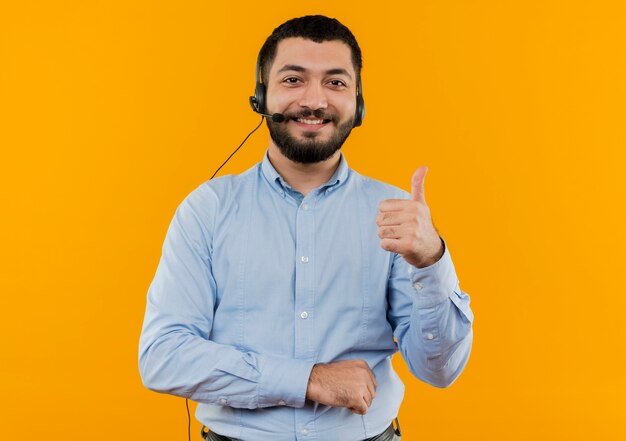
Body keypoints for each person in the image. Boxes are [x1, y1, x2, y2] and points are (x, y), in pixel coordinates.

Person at [139, 15, 474, 441]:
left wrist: (432, 261)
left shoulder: (397, 215)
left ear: (359, 102)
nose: (314, 101)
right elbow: (163, 357)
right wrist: (308, 379)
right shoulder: (207, 210)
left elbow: (440, 370)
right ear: (262, 96)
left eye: (335, 83)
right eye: (293, 80)